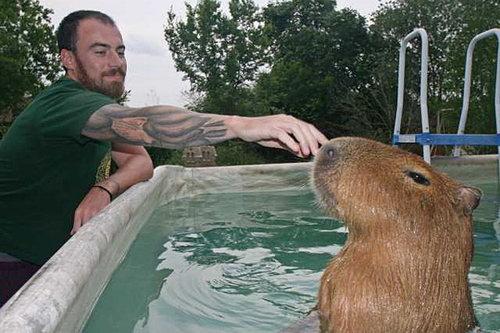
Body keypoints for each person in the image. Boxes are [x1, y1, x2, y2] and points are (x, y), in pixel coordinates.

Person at [0, 10, 327, 307]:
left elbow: (141, 163)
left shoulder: (92, 109)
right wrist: (240, 125)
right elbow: (149, 126)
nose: (116, 62)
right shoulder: (64, 104)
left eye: (121, 51)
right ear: (68, 59)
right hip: (13, 266)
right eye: (100, 51)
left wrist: (105, 188)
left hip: (52, 261)